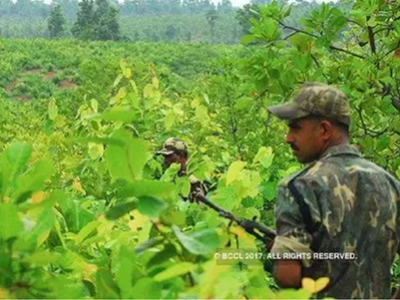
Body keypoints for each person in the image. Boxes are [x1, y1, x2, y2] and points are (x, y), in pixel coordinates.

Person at [266, 82, 400, 299]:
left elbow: (288, 277)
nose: (288, 138)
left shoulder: (299, 186)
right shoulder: (391, 184)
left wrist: (280, 253)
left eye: (295, 128)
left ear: (325, 130)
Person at [156, 137, 207, 202]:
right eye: (164, 156)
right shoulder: (168, 177)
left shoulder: (195, 178)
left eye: (169, 156)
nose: (166, 160)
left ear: (181, 156)